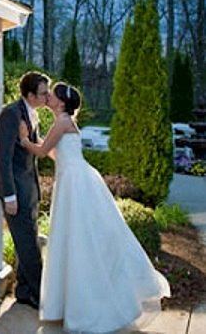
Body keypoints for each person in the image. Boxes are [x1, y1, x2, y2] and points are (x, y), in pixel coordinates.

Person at [19, 82, 170, 333]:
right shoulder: (64, 121)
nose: (49, 97)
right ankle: (78, 302)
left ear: (61, 103)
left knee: (79, 239)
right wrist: (37, 140)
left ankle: (88, 307)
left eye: (53, 95)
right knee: (78, 238)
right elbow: (57, 154)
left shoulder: (62, 121)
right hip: (74, 178)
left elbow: (43, 152)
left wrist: (25, 139)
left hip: (74, 183)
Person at [0, 71, 50, 309]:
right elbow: (2, 158)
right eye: (43, 93)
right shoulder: (11, 114)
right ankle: (41, 296)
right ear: (30, 95)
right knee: (29, 247)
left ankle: (24, 291)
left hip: (29, 188)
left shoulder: (32, 113)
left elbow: (34, 150)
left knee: (28, 241)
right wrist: (10, 196)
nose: (47, 97)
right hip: (16, 190)